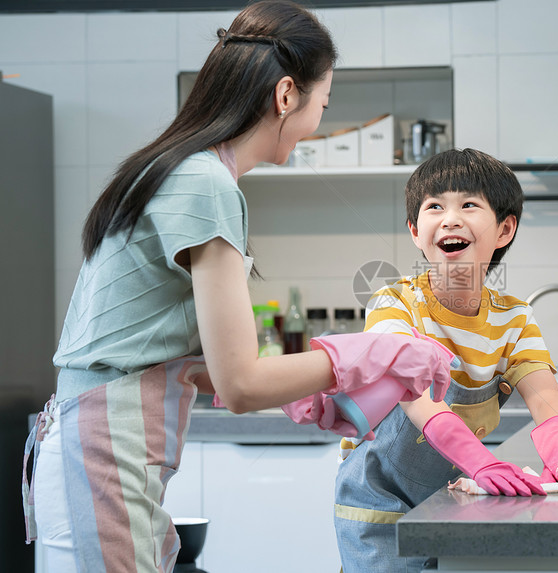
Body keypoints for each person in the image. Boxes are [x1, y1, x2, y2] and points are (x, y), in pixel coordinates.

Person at [20, 2, 452, 571]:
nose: (319, 118)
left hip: (99, 447)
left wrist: (301, 386)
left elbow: (180, 356)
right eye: (324, 103)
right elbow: (241, 383)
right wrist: (372, 352)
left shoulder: (184, 169)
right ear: (286, 95)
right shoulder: (206, 184)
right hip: (104, 455)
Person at [333, 148, 558, 572]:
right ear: (415, 231)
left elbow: (544, 395)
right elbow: (417, 397)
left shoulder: (515, 317)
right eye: (434, 207)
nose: (450, 218)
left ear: (504, 229)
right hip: (380, 504)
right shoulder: (394, 304)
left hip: (452, 496)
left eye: (468, 204)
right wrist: (481, 459)